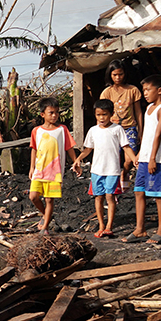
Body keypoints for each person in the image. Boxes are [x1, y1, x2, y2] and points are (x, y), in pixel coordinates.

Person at [125, 75, 161, 245]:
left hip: (159, 158)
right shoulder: (149, 108)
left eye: (148, 90)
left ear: (160, 90)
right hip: (146, 157)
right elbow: (148, 135)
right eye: (144, 90)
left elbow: (158, 134)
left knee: (158, 195)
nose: (145, 93)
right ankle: (140, 229)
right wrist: (141, 153)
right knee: (139, 192)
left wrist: (153, 158)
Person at [74, 99, 135, 238]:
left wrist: (134, 158)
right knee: (98, 197)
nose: (101, 118)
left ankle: (109, 226)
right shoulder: (93, 131)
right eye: (98, 115)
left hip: (112, 170)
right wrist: (78, 159)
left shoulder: (117, 129)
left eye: (104, 114)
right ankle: (101, 225)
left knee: (110, 197)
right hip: (96, 170)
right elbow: (88, 149)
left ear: (111, 114)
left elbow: (125, 146)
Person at [28, 97, 79, 235]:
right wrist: (32, 167)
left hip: (55, 172)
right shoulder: (36, 131)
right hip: (39, 169)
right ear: (42, 114)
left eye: (56, 112)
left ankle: (45, 228)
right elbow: (34, 148)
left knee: (49, 199)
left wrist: (75, 162)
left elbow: (69, 147)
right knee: (33, 196)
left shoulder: (62, 130)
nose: (54, 115)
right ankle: (46, 216)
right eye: (51, 112)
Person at [100, 60, 144, 151]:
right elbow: (101, 113)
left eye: (120, 74)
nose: (118, 78)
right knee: (114, 157)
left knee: (130, 159)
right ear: (110, 75)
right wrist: (100, 131)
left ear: (125, 74)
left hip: (130, 128)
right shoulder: (107, 92)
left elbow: (138, 111)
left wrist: (140, 130)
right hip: (112, 129)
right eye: (114, 75)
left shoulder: (133, 90)